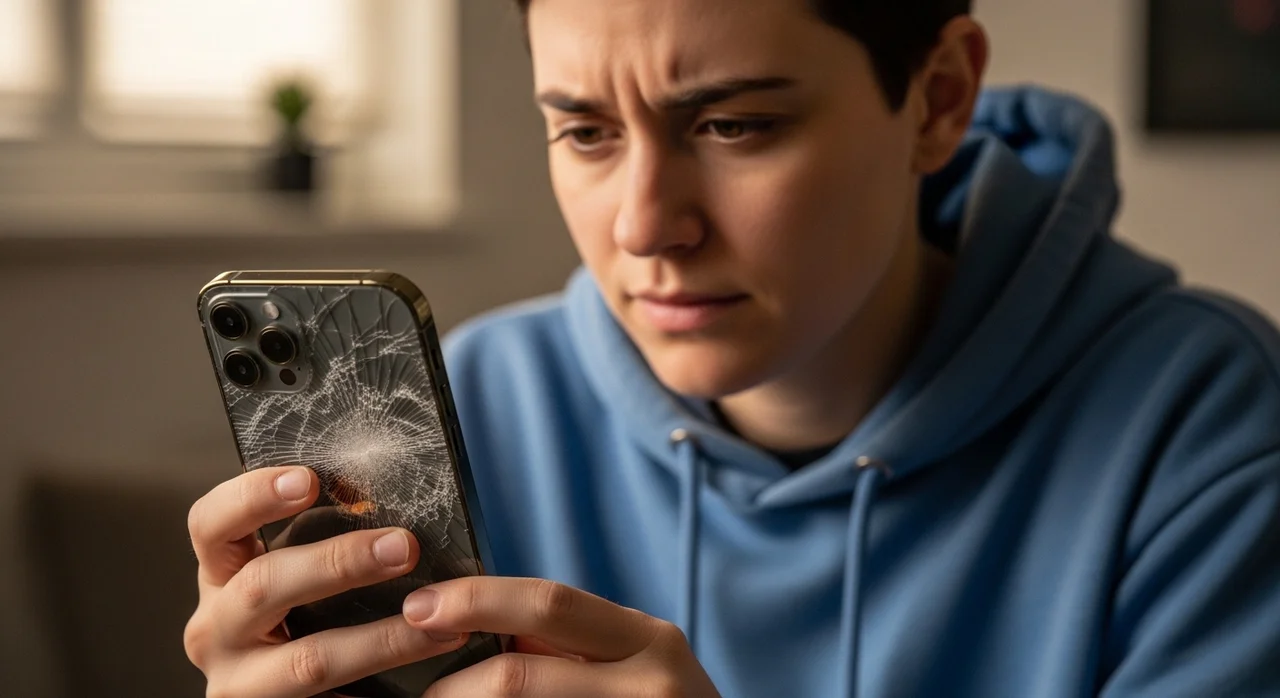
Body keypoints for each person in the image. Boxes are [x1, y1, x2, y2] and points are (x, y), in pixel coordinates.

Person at [183, 0, 1280, 695]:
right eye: (585, 132)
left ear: (936, 100)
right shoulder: (475, 404)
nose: (644, 224)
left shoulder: (1206, 427)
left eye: (733, 125)